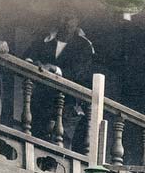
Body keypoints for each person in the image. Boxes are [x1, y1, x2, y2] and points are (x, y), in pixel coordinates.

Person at [24, 8, 95, 150]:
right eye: (63, 17)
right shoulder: (47, 40)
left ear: (77, 22)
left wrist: (55, 69)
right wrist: (33, 62)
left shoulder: (83, 45)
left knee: (60, 143)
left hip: (68, 103)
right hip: (42, 100)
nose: (67, 22)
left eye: (71, 18)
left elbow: (79, 72)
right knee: (37, 137)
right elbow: (28, 55)